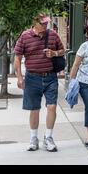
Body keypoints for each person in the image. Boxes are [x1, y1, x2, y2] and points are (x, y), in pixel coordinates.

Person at [14, 12, 65, 152]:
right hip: (32, 78)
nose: (45, 24)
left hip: (50, 77)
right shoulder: (25, 36)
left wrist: (54, 53)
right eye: (43, 22)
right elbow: (17, 58)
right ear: (35, 22)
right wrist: (19, 77)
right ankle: (33, 138)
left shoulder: (53, 35)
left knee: (52, 107)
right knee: (34, 109)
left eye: (46, 22)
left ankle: (48, 138)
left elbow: (62, 50)